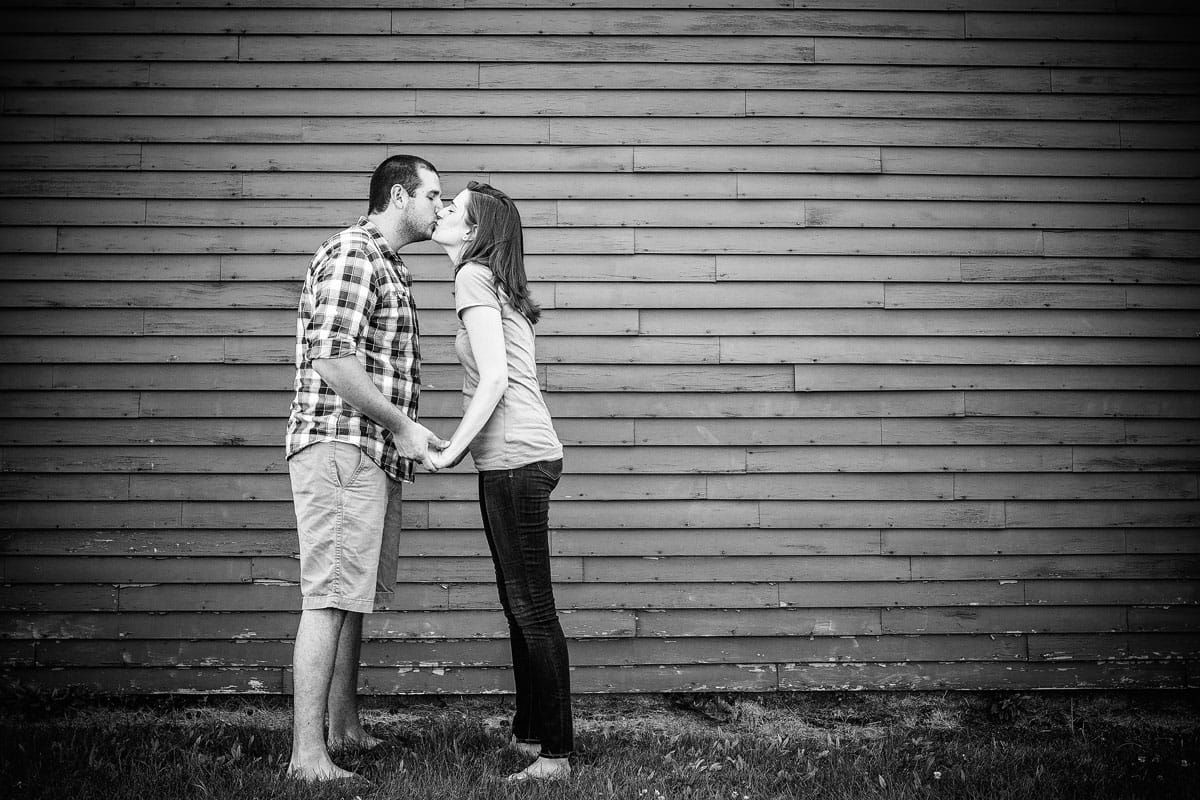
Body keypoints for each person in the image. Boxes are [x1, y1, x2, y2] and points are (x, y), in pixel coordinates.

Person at [284, 155, 448, 782]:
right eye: (433, 195)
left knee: (350, 597)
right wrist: (404, 426)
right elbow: (331, 358)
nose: (440, 207)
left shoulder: (386, 263)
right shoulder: (355, 254)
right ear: (400, 195)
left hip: (365, 452)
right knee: (327, 598)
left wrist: (402, 436)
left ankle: (343, 726)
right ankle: (307, 757)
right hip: (339, 447)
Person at [426, 181, 573, 782]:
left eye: (452, 208)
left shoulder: (473, 278)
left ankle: (556, 756)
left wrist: (450, 452)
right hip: (517, 456)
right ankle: (531, 733)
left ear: (477, 231)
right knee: (520, 607)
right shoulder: (490, 280)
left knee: (533, 610)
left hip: (515, 458)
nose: (441, 210)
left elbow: (493, 381)